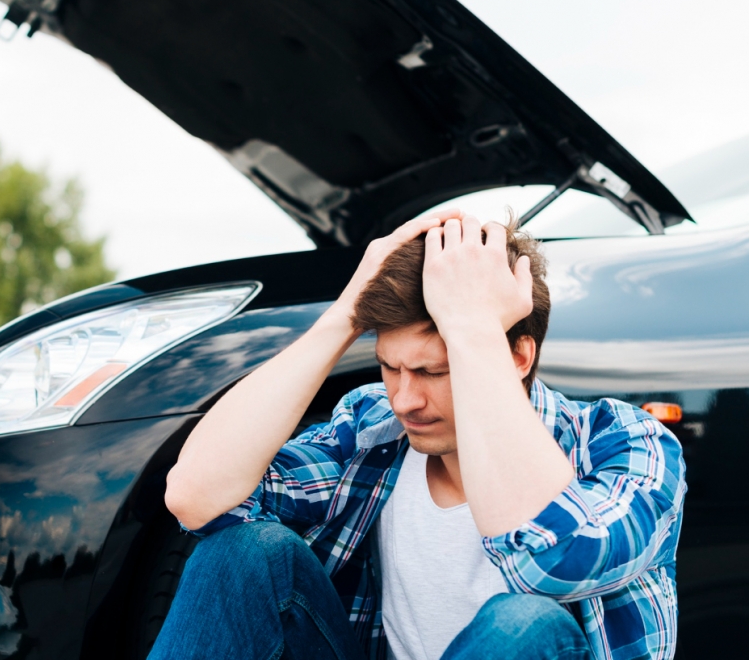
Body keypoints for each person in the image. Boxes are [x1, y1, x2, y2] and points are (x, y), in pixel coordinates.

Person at [153, 212, 686, 660]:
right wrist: (345, 313)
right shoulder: (372, 431)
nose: (404, 399)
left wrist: (473, 329)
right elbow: (196, 497)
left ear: (518, 355)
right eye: (389, 368)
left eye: (433, 372)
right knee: (246, 552)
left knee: (523, 622)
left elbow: (548, 560)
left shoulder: (625, 441)